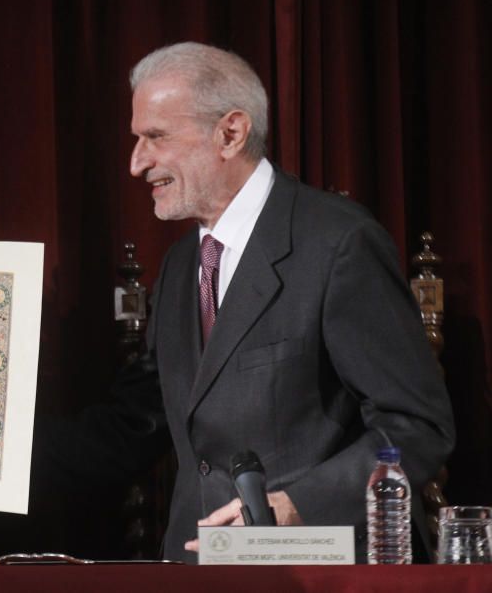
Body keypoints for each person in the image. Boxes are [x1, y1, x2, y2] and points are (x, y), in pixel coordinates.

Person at [43, 42, 454, 563]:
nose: (136, 163)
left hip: (312, 570)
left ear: (230, 133)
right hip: (198, 569)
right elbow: (133, 426)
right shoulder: (178, 269)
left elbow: (417, 427)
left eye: (155, 137)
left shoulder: (337, 244)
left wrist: (292, 507)